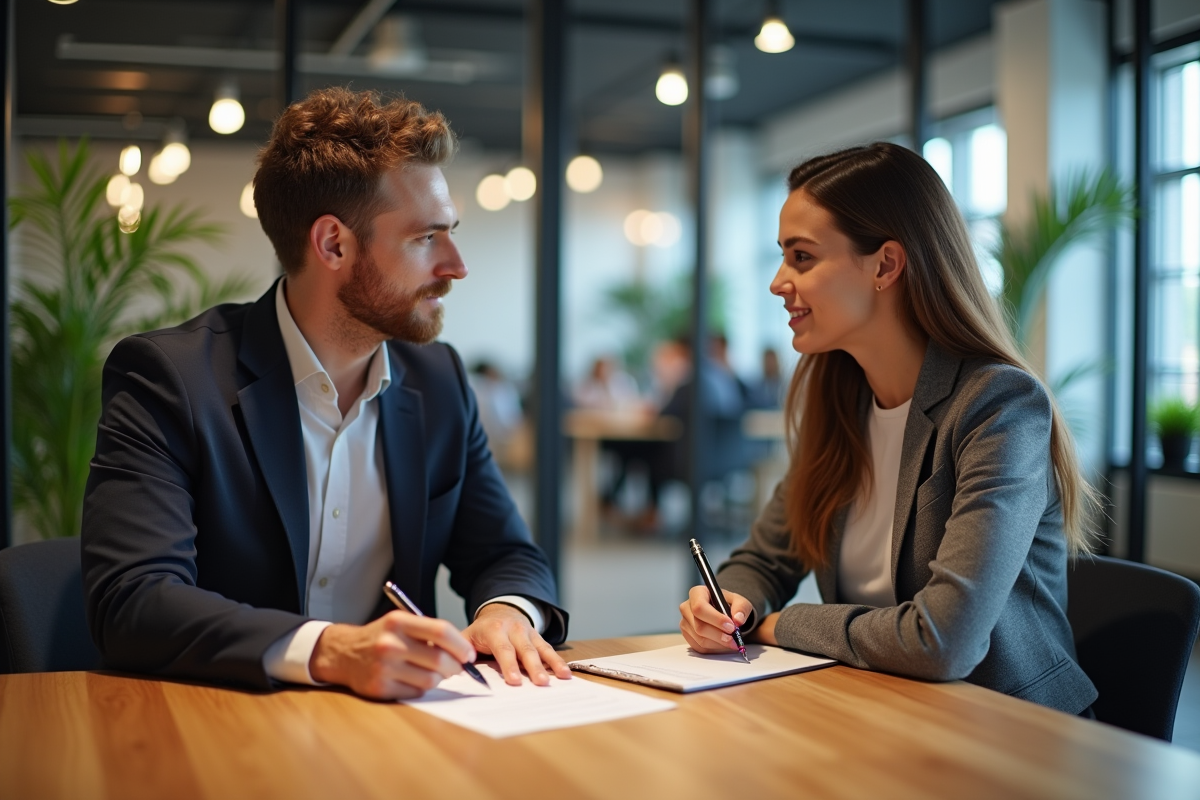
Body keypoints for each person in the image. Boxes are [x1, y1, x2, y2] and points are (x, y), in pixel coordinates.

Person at [82, 88, 570, 700]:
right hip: (218, 723)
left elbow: (506, 553)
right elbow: (133, 600)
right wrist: (329, 649)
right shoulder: (171, 379)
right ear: (333, 244)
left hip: (389, 729)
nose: (456, 264)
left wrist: (507, 612)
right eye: (426, 238)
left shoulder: (437, 380)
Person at [679, 142, 1098, 716]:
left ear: (885, 265)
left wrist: (775, 626)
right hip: (878, 708)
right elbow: (765, 558)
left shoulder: (999, 406)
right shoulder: (840, 400)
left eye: (801, 257)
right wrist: (732, 604)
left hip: (1006, 730)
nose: (778, 282)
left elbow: (943, 641)